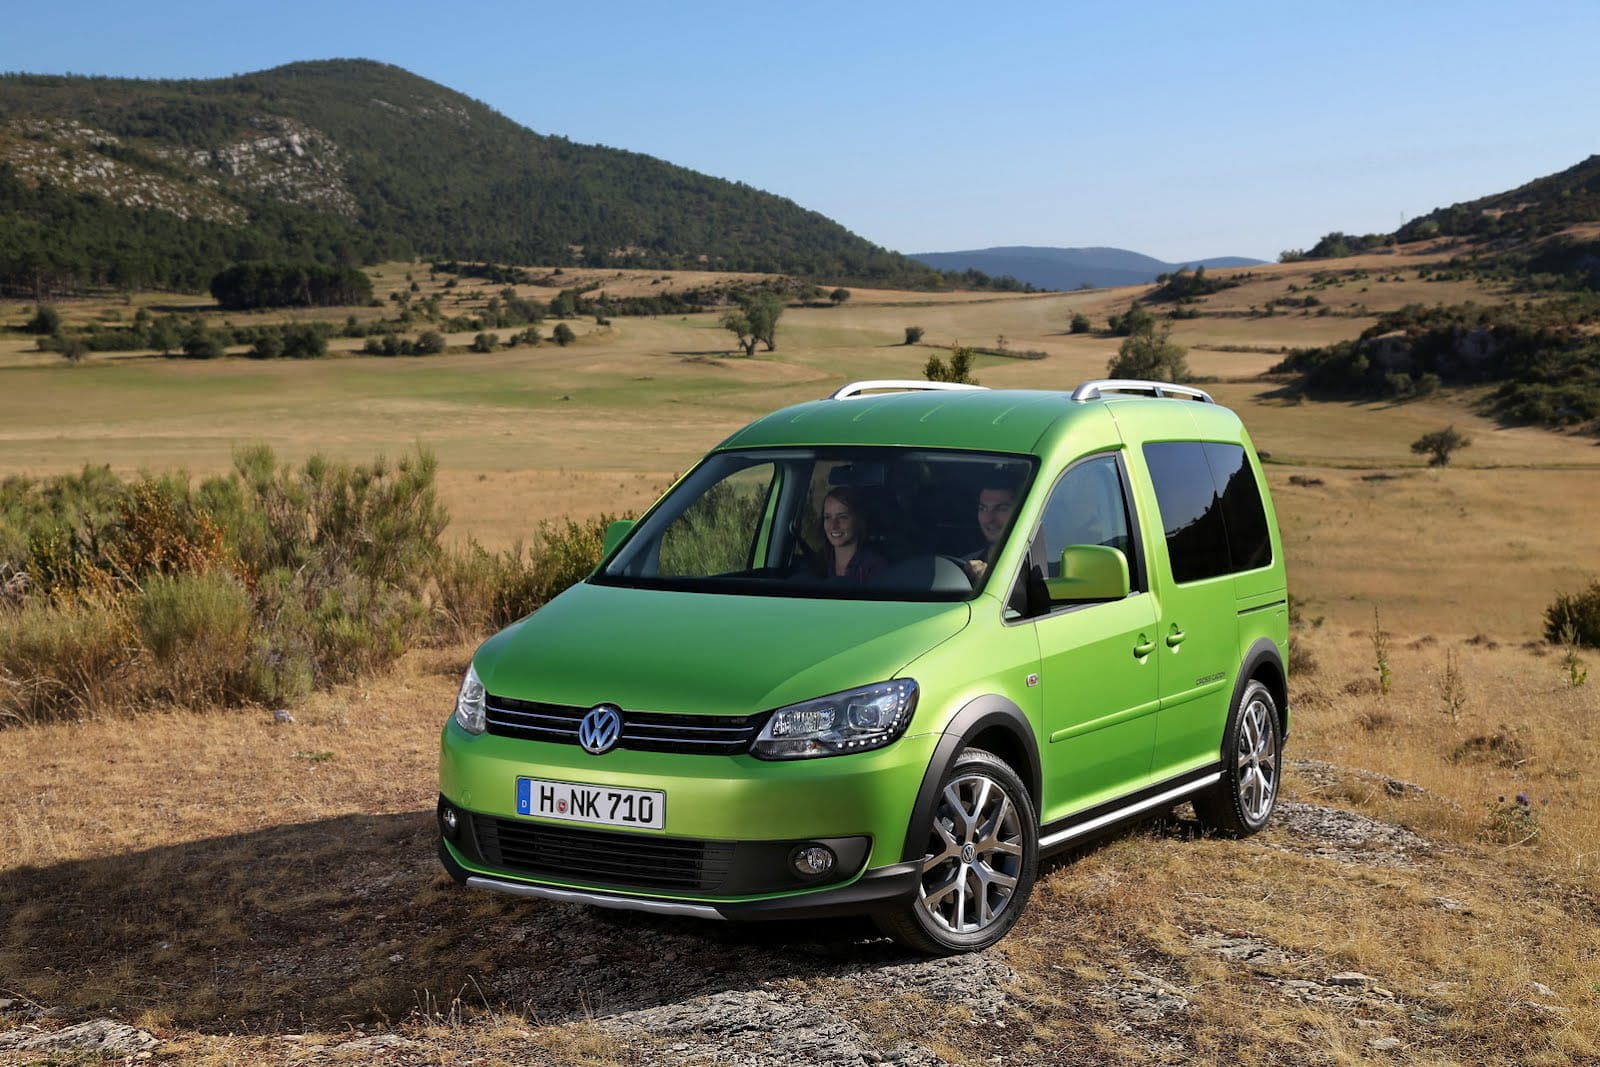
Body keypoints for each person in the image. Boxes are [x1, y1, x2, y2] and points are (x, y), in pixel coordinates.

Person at [814, 487, 886, 584]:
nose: (833, 525)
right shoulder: (819, 562)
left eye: (843, 517)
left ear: (858, 521)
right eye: (827, 517)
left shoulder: (874, 568)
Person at [962, 478, 1018, 583]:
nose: (988, 519)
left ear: (1020, 511)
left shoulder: (1032, 567)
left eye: (1001, 508)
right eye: (983, 508)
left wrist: (993, 581)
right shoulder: (964, 566)